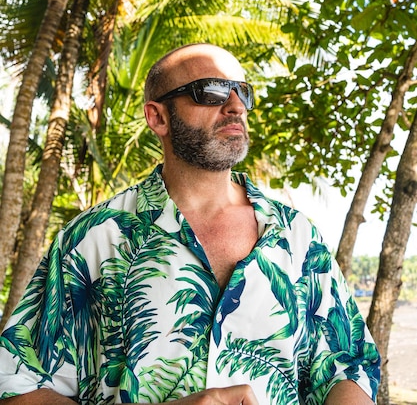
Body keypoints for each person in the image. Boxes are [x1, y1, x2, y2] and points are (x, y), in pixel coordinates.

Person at [0, 43, 380, 404]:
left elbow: (349, 365)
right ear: (158, 117)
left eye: (242, 92)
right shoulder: (94, 239)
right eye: (210, 91)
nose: (234, 106)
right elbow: (16, 383)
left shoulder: (296, 237)